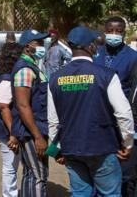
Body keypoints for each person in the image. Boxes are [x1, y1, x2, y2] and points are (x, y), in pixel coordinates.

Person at [48, 26, 135, 197]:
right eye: (95, 43)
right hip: (102, 147)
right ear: (91, 46)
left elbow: (53, 120)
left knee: (80, 193)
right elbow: (123, 113)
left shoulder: (55, 78)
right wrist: (127, 143)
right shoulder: (106, 75)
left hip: (71, 147)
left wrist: (56, 149)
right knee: (109, 194)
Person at [93, 16, 137, 196]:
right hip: (98, 123)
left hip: (123, 122)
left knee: (127, 176)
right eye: (110, 30)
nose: (114, 34)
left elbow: (134, 94)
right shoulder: (96, 54)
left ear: (124, 33)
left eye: (118, 31)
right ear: (104, 31)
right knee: (100, 174)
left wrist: (131, 130)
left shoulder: (133, 57)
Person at [11, 29, 49, 196]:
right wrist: (38, 136)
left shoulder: (32, 66)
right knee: (39, 176)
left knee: (30, 174)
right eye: (38, 43)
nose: (42, 46)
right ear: (27, 47)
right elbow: (22, 105)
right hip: (32, 130)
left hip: (34, 127)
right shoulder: (25, 70)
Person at [0, 42, 22, 197]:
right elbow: (4, 107)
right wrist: (13, 133)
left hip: (9, 130)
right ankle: (9, 194)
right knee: (10, 166)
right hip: (7, 132)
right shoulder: (6, 80)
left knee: (13, 164)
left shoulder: (10, 77)